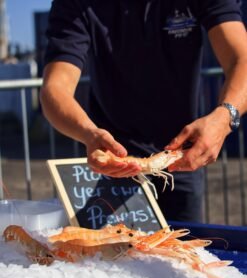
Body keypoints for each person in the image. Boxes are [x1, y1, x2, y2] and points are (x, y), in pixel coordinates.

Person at [40, 0, 247, 223]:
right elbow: (55, 88)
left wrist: (225, 117)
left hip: (180, 156)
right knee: (105, 255)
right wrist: (88, 133)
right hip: (111, 158)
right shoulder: (77, 4)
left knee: (183, 252)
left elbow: (241, 59)